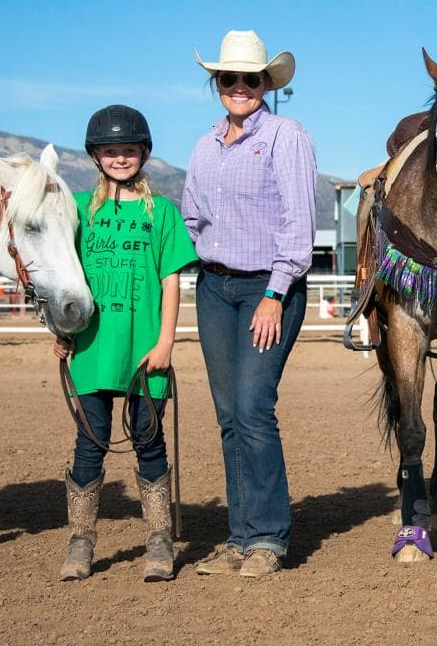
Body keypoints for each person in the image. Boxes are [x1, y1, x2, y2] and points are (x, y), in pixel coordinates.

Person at [183, 30, 317, 579]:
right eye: (228, 78)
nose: (239, 87)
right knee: (229, 416)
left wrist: (274, 293)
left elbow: (299, 223)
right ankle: (238, 537)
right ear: (217, 84)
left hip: (268, 288)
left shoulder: (287, 137)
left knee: (254, 408)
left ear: (266, 83)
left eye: (250, 79)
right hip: (215, 290)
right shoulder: (203, 145)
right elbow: (192, 214)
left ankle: (267, 538)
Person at [56, 104, 198, 582]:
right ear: (96, 157)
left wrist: (166, 344)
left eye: (129, 150)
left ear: (144, 154)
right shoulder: (75, 210)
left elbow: (172, 282)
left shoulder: (164, 215)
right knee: (88, 446)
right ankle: (81, 541)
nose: (120, 158)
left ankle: (159, 540)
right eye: (111, 151)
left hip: (145, 351)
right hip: (92, 349)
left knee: (149, 443)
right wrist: (59, 332)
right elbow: (58, 276)